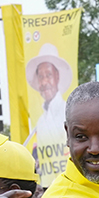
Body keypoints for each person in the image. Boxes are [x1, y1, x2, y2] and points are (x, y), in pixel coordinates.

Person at [27, 43, 73, 186]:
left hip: (71, 185)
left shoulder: (69, 112)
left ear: (57, 77)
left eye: (48, 75)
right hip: (49, 188)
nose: (44, 82)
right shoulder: (40, 122)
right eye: (40, 77)